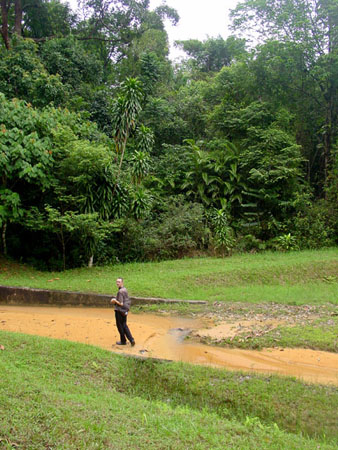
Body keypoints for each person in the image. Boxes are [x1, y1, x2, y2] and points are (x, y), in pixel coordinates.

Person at [110, 277, 135, 346]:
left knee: (120, 326)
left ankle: (123, 341)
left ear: (122, 282)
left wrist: (114, 300)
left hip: (119, 311)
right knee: (124, 325)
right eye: (117, 282)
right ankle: (131, 339)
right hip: (125, 311)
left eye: (119, 282)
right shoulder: (125, 290)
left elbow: (121, 303)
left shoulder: (120, 292)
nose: (117, 283)